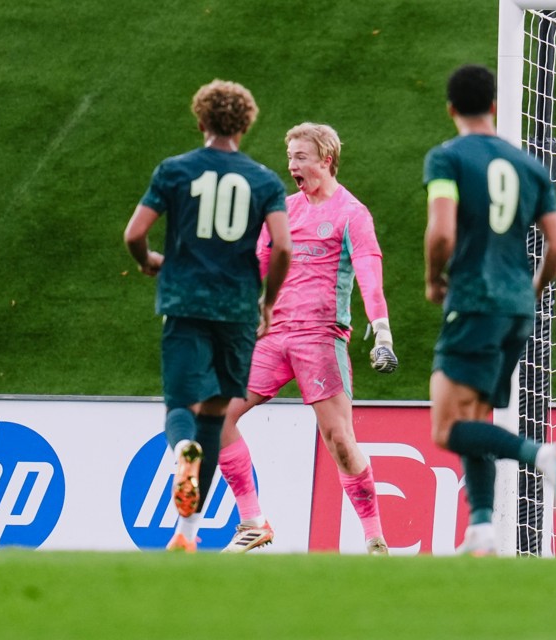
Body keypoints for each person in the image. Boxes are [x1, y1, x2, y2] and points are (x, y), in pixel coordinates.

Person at [123, 79, 292, 553]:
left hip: (184, 302)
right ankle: (188, 535)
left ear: (200, 121)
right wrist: (269, 300)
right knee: (216, 417)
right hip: (237, 310)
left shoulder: (175, 171)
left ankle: (183, 453)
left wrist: (148, 261)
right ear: (246, 124)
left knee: (181, 407)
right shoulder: (264, 180)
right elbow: (283, 246)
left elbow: (135, 233)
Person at [216, 122, 399, 555]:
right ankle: (252, 521)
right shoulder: (284, 210)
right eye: (290, 156)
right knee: (216, 415)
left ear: (326, 160)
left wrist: (383, 333)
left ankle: (374, 537)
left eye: (300, 156)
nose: (291, 164)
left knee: (339, 440)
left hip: (321, 339)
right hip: (274, 336)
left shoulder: (352, 213)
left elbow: (370, 276)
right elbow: (256, 265)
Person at [423, 64, 556, 557]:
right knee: (475, 416)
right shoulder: (530, 166)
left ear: (450, 109)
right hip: (517, 308)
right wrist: (533, 291)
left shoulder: (447, 158)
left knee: (447, 426)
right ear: (493, 105)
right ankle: (483, 528)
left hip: (473, 302)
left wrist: (433, 278)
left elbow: (442, 232)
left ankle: (543, 455)